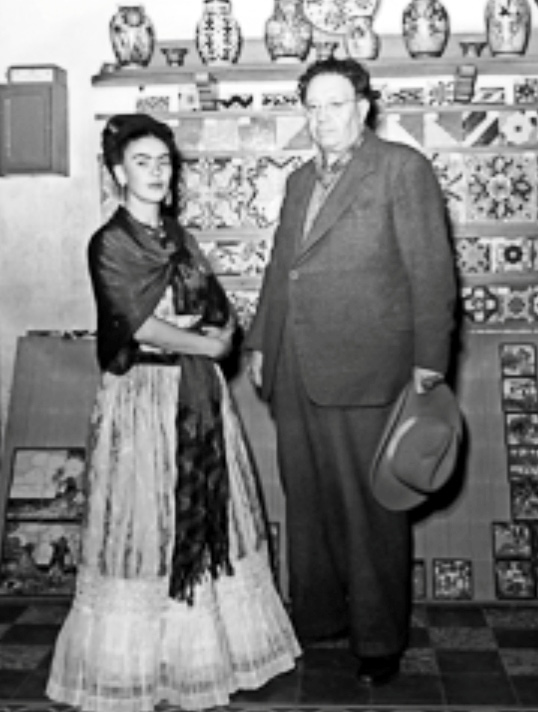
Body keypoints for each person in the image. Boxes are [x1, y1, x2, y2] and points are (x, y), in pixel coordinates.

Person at [46, 113, 300, 712]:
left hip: (195, 393)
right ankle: (136, 664)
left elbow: (212, 302)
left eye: (164, 162)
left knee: (207, 516)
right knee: (147, 524)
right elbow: (139, 324)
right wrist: (208, 346)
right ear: (118, 173)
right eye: (142, 162)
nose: (156, 172)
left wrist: (225, 329)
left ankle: (205, 655)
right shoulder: (110, 243)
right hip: (143, 397)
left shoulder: (178, 236)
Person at [245, 57, 457, 686]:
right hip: (295, 367)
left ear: (363, 107)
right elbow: (282, 269)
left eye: (335, 104)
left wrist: (430, 362)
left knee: (372, 512)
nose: (322, 118)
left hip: (369, 371)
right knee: (307, 504)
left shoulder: (401, 168)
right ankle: (319, 622)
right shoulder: (298, 181)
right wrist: (261, 344)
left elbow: (432, 271)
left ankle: (378, 639)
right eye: (312, 106)